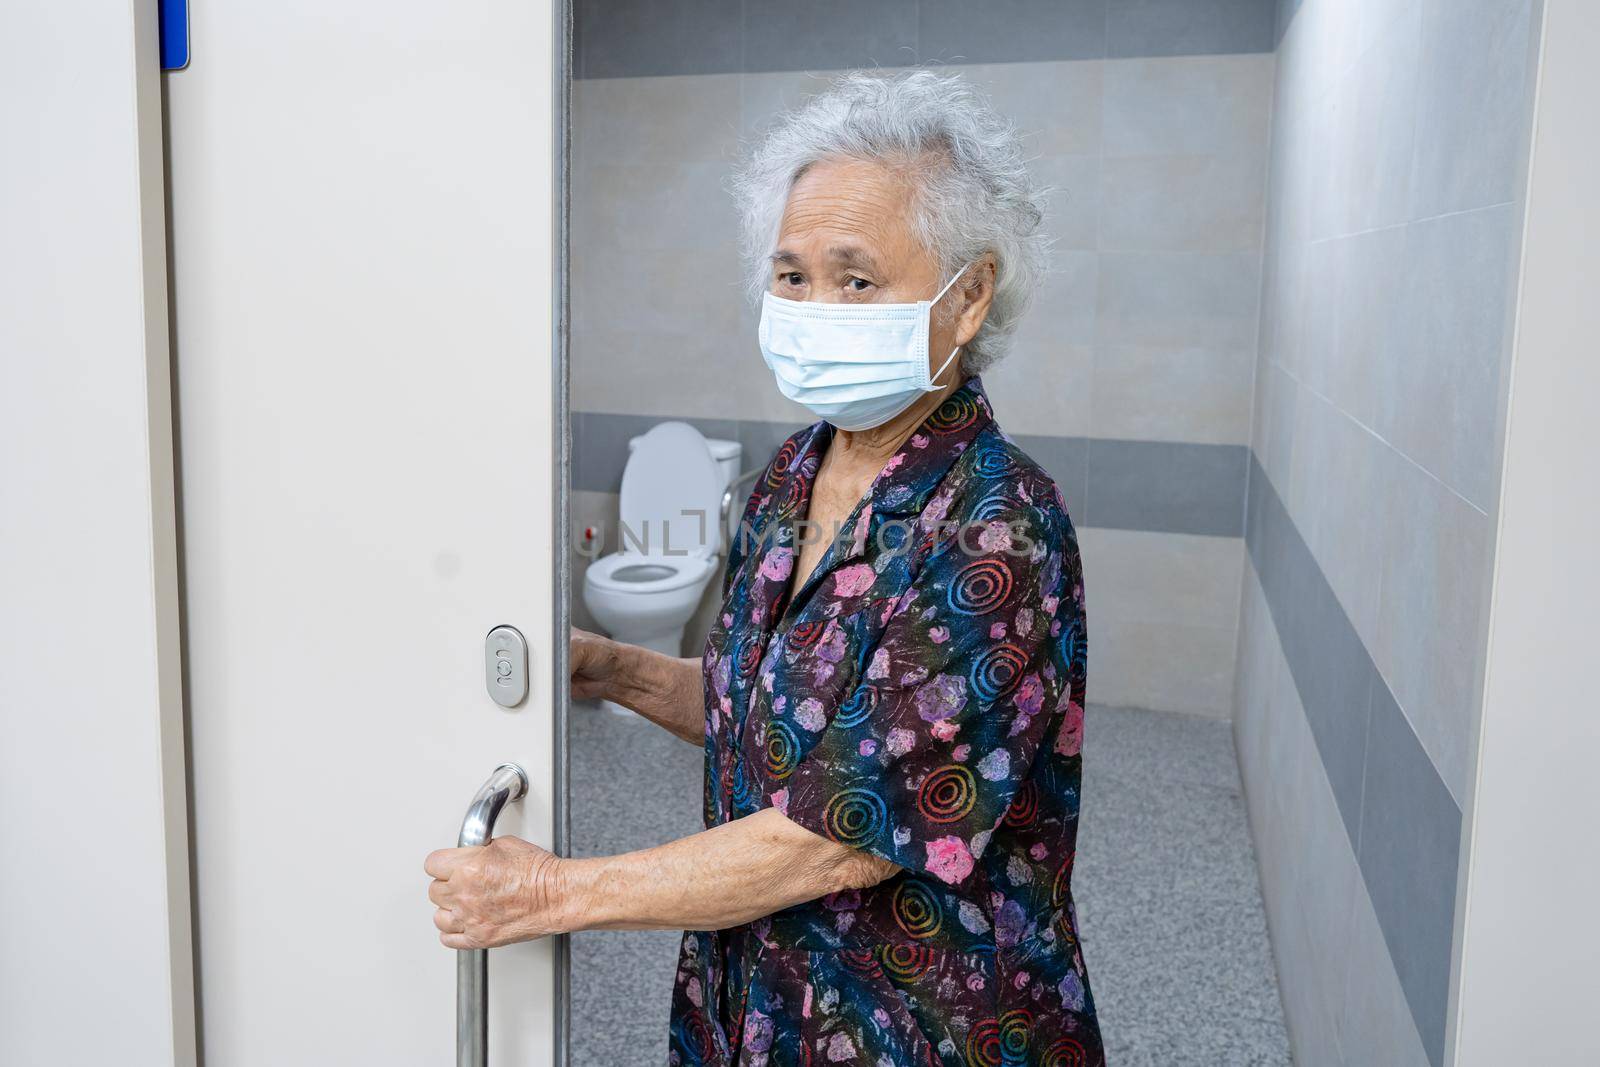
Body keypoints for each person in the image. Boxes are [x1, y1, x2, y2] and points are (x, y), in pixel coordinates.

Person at [425, 68, 1103, 1066]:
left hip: (920, 1023)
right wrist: (607, 666)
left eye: (855, 277)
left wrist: (555, 890)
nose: (812, 305)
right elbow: (769, 709)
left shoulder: (998, 528)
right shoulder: (794, 470)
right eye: (791, 274)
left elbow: (843, 829)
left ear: (968, 300)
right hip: (756, 999)